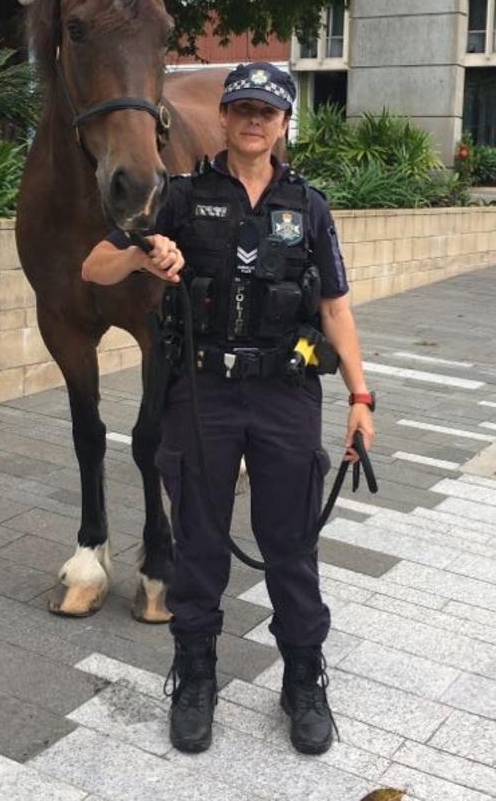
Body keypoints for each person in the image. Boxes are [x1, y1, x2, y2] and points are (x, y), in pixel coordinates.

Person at [81, 61, 375, 756]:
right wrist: (142, 259)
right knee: (202, 545)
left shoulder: (309, 206)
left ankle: (303, 678)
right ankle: (196, 676)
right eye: (241, 107)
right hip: (203, 394)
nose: (252, 121)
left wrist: (361, 397)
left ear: (282, 124)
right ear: (224, 116)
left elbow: (335, 306)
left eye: (266, 112)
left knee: (292, 545)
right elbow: (95, 263)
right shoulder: (179, 197)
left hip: (286, 396)